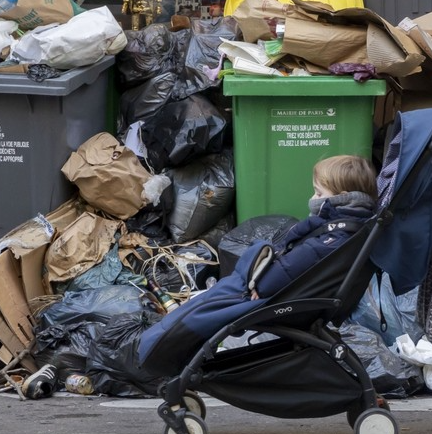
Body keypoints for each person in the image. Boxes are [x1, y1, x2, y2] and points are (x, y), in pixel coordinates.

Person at [138, 155, 377, 375]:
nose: (313, 199)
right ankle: (162, 348)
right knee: (212, 299)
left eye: (318, 193)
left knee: (211, 306)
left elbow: (289, 268)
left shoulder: (330, 240)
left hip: (277, 298)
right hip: (291, 295)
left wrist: (260, 285)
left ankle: (159, 351)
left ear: (340, 197)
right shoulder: (343, 231)